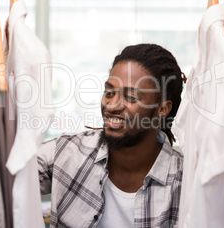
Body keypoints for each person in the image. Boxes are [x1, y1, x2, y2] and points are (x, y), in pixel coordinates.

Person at [38, 44, 184, 227]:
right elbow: (6, 179)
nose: (112, 106)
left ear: (163, 109)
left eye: (130, 97)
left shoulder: (184, 183)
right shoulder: (67, 152)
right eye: (109, 92)